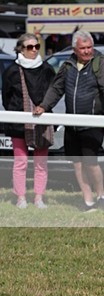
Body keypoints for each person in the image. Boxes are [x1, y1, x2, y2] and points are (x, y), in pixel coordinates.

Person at [34, 30, 104, 212]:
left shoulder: (100, 63)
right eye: (83, 48)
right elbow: (56, 88)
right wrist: (44, 106)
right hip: (72, 123)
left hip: (91, 122)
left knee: (90, 161)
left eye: (90, 47)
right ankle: (87, 200)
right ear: (74, 49)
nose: (87, 51)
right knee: (77, 162)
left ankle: (101, 196)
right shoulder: (68, 65)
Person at [1, 34, 56, 209]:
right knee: (21, 162)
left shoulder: (46, 69)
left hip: (42, 121)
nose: (33, 50)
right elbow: (6, 97)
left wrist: (44, 107)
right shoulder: (11, 71)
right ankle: (21, 197)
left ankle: (39, 197)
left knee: (41, 163)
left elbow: (53, 93)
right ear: (20, 49)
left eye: (36, 46)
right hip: (18, 123)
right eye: (29, 47)